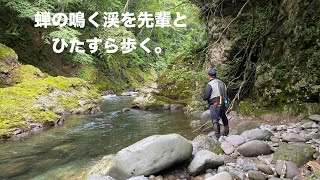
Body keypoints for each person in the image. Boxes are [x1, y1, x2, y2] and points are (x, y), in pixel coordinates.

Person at [202, 69, 229, 138]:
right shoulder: (222, 83)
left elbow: (206, 97)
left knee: (215, 120)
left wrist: (203, 95)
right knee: (223, 117)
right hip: (223, 104)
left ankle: (217, 136)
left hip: (215, 104)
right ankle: (226, 132)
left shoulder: (210, 84)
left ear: (209, 76)